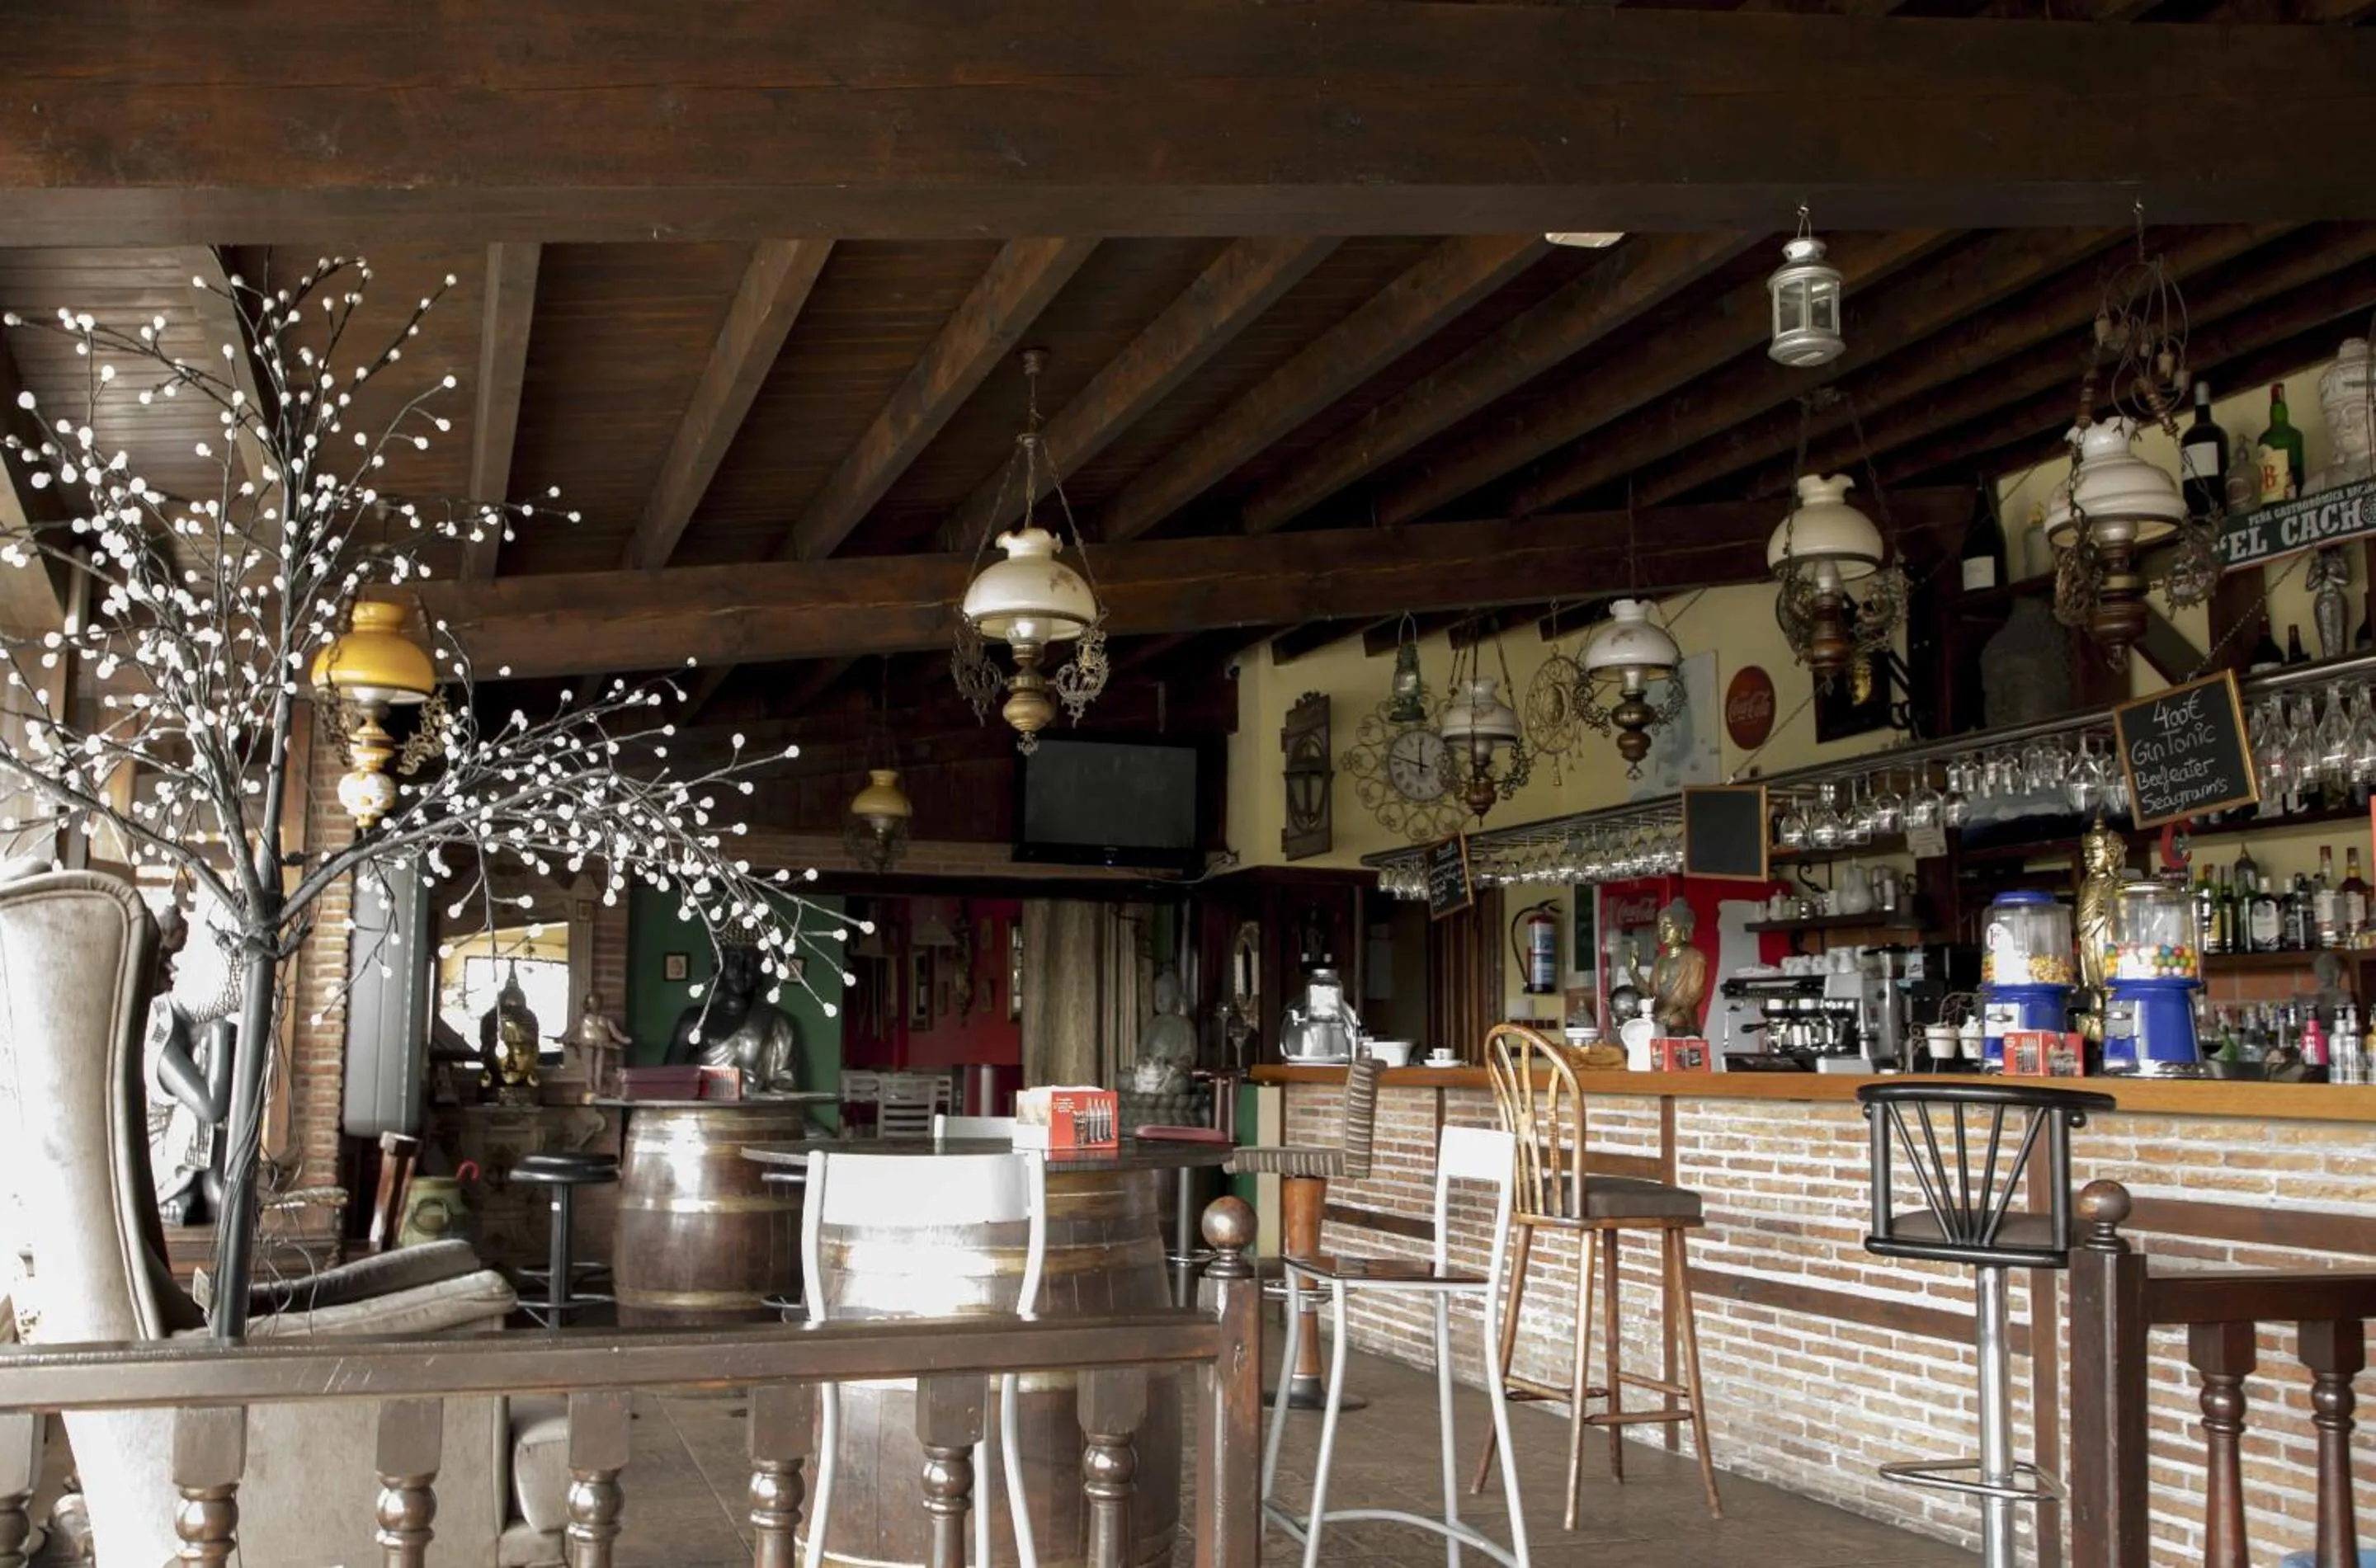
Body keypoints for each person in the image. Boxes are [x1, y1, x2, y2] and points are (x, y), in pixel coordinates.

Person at [667, 944, 802, 1093]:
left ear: (760, 971)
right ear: (718, 967)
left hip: (758, 1111)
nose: (741, 970)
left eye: (750, 963)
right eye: (734, 961)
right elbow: (671, 1077)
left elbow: (786, 1081)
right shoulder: (695, 1018)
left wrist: (758, 1090)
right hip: (706, 1110)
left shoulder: (776, 1021)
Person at [1642, 899, 1710, 1036]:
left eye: (1668, 926)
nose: (1663, 931)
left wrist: (1673, 1009)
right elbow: (1651, 996)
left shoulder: (1695, 958)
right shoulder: (1659, 961)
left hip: (1681, 1017)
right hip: (1659, 1017)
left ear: (1686, 929)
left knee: (1675, 1020)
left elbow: (1695, 994)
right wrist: (1634, 974)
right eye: (1660, 926)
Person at [1132, 969, 1198, 1094]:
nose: (1160, 999)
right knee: (1124, 1079)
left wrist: (1170, 1067)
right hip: (1148, 1074)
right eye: (1156, 995)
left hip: (1169, 1076)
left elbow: (1189, 1057)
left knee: (1180, 1084)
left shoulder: (1184, 1025)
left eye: (1165, 994)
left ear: (1176, 998)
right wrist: (1145, 1062)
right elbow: (1141, 1053)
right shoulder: (1151, 1024)